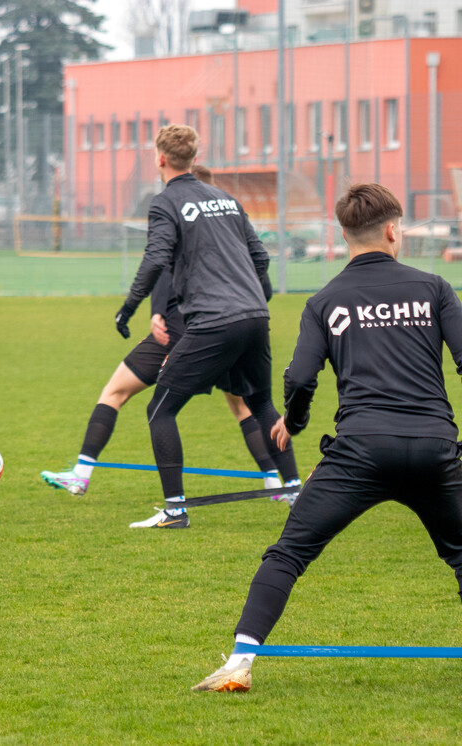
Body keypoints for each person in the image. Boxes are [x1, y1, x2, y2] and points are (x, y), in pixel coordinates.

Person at [193, 183, 462, 692]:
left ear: (344, 238)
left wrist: (293, 422)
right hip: (433, 448)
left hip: (359, 452)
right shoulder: (434, 288)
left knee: (288, 554)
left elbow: (299, 377)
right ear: (391, 231)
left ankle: (240, 662)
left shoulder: (325, 300)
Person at [40, 164, 299, 502]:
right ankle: (279, 484)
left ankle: (85, 476)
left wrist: (148, 313)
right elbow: (259, 270)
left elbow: (159, 266)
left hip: (194, 332)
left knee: (121, 394)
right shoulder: (225, 220)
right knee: (249, 404)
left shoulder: (179, 215)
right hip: (237, 327)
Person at [112, 124, 282, 529]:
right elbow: (260, 259)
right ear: (194, 155)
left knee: (160, 409)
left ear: (161, 159)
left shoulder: (166, 201)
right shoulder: (225, 198)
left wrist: (128, 307)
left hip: (213, 321)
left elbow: (156, 259)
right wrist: (255, 298)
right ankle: (293, 491)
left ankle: (175, 510)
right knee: (259, 404)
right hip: (254, 317)